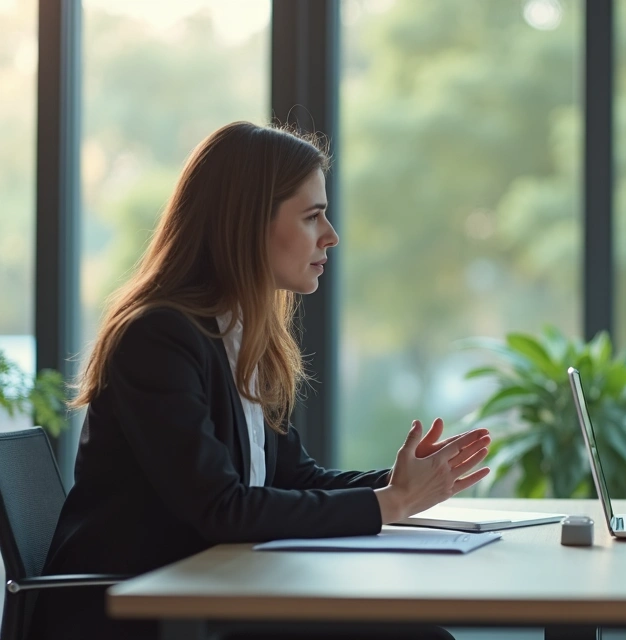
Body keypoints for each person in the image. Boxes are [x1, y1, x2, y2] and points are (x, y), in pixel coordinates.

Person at [30, 122, 491, 640]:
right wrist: (390, 503)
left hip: (211, 591)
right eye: (312, 216)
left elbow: (292, 478)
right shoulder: (157, 338)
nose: (331, 236)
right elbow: (220, 508)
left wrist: (402, 484)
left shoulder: (240, 335)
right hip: (138, 614)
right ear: (248, 223)